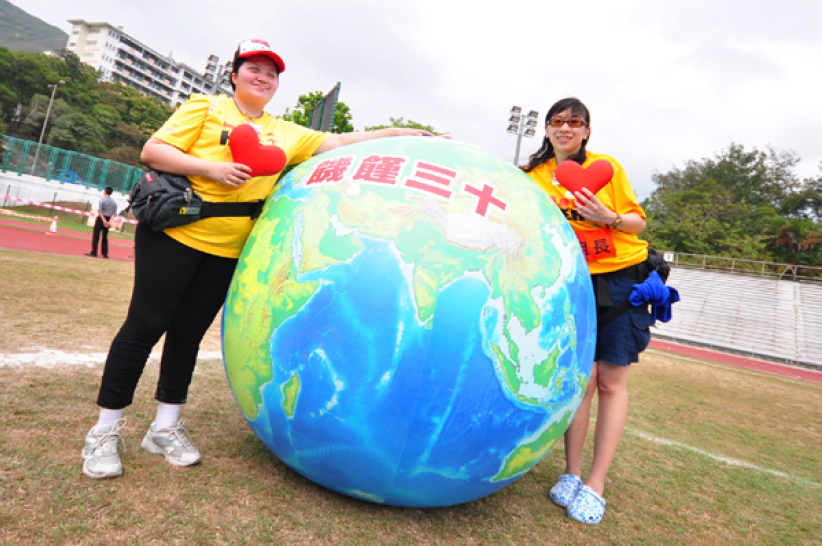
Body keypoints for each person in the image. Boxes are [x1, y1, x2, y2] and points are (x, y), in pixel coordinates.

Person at [81, 38, 433, 479]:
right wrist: (210, 169)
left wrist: (402, 134)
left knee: (188, 334)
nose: (262, 77)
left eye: (271, 73)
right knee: (144, 328)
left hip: (230, 248)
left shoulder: (286, 133)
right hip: (176, 234)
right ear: (234, 74)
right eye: (253, 69)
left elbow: (340, 141)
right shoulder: (206, 108)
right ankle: (104, 431)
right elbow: (153, 151)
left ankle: (165, 427)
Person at [523, 97, 653, 524]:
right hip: (570, 280)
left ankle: (596, 484)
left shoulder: (607, 167)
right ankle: (572, 474)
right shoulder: (534, 178)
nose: (565, 128)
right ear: (546, 130)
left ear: (586, 131)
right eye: (557, 121)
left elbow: (638, 223)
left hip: (620, 278)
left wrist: (608, 216)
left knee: (611, 381)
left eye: (574, 122)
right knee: (582, 378)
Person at [85, 186, 118, 258]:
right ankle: (105, 253)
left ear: (105, 192)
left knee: (96, 235)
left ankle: (94, 252)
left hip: (101, 219)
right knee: (105, 236)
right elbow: (114, 214)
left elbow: (100, 212)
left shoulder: (102, 200)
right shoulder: (114, 203)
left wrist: (104, 221)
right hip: (108, 219)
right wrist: (109, 222)